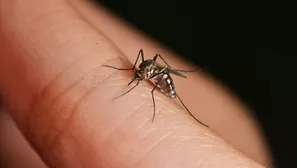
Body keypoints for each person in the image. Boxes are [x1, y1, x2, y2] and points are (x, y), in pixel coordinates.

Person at [0, 0, 271, 167]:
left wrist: (155, 79)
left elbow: (151, 72)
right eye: (140, 75)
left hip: (164, 77)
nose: (138, 77)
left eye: (140, 76)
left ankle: (183, 91)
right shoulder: (138, 69)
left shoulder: (151, 75)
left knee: (160, 78)